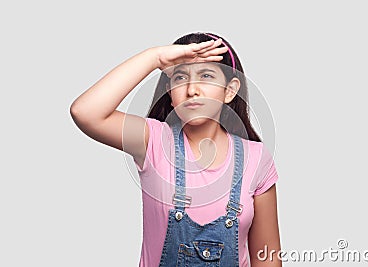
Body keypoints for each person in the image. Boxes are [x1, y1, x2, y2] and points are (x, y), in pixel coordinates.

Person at [70, 32, 281, 267]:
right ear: (170, 93)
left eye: (206, 76)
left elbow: (268, 256)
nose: (192, 90)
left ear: (230, 90)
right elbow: (85, 112)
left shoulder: (256, 157)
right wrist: (156, 58)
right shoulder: (153, 142)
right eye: (180, 78)